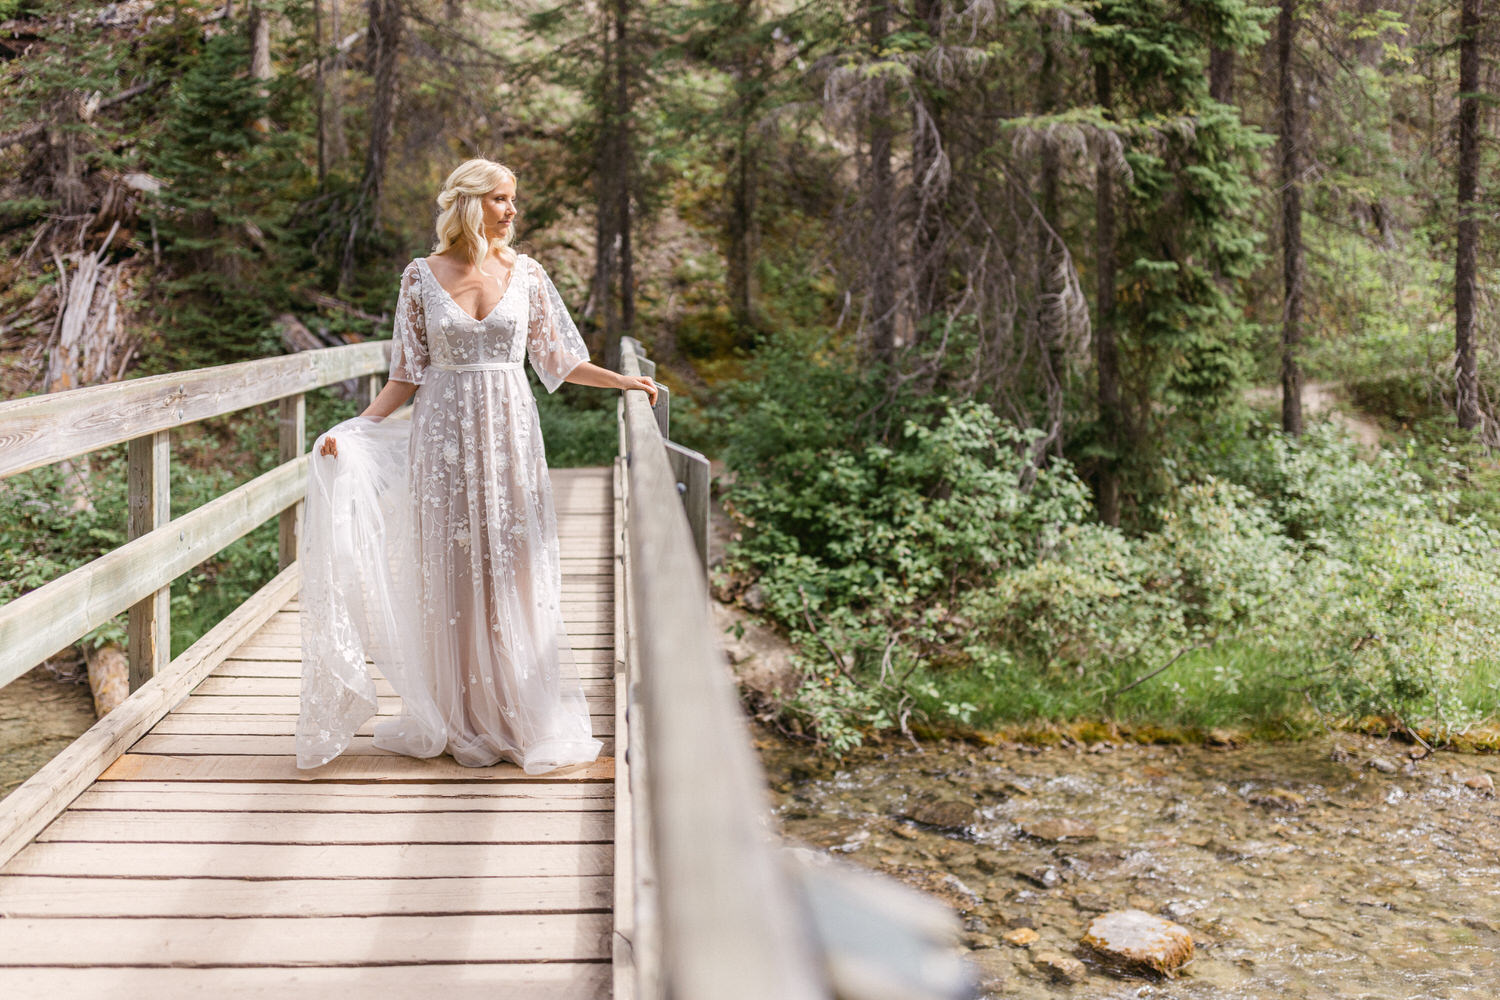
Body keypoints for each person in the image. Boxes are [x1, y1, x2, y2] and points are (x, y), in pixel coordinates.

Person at [295, 157, 656, 774]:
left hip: (511, 436)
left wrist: (622, 379)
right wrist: (356, 429)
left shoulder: (529, 273)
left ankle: (518, 709)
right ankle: (459, 712)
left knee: (514, 569)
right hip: (442, 443)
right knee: (454, 573)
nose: (512, 211)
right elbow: (406, 375)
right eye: (501, 199)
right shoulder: (420, 277)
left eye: (513, 199)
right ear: (469, 202)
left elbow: (557, 358)